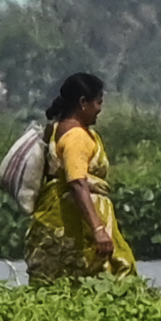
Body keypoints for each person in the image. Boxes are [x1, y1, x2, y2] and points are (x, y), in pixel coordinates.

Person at [24, 69, 132, 282]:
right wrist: (98, 230)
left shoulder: (56, 129)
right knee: (117, 273)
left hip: (58, 217)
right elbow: (77, 183)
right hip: (77, 224)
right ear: (83, 102)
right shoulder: (76, 137)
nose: (100, 109)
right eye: (98, 103)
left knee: (59, 283)